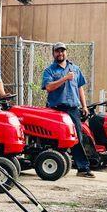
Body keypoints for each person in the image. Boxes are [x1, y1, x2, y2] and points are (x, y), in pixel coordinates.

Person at [42, 42, 95, 178]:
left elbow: (80, 88)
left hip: (72, 109)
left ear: (66, 52)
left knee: (77, 137)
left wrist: (84, 106)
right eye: (57, 51)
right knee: (54, 138)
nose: (60, 54)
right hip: (55, 109)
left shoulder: (75, 69)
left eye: (62, 51)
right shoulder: (50, 70)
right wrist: (64, 78)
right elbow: (48, 87)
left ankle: (83, 168)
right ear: (53, 53)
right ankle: (53, 163)